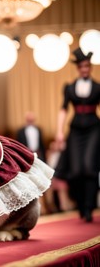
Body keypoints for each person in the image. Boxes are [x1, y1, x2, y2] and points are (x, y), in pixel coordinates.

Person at [55, 48, 100, 222]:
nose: (85, 69)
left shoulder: (97, 87)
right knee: (74, 171)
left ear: (90, 67)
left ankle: (89, 208)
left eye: (87, 66)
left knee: (89, 166)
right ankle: (81, 205)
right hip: (75, 129)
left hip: (94, 128)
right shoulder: (69, 87)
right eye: (82, 66)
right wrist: (59, 131)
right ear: (78, 68)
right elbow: (63, 109)